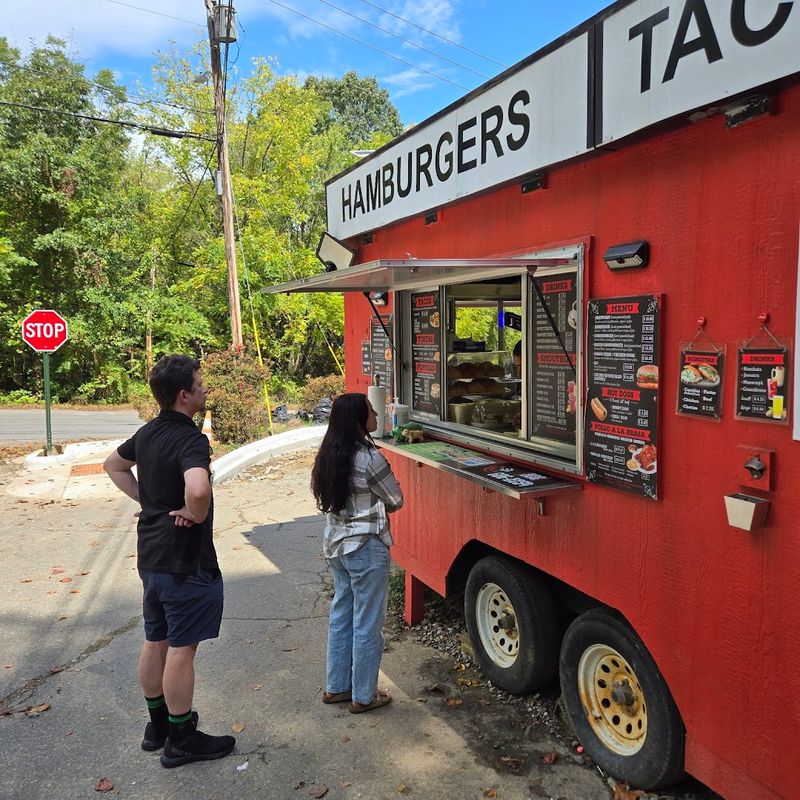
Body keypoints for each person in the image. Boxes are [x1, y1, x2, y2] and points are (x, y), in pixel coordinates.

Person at [103, 354, 235, 768]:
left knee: (155, 640)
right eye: (200, 383)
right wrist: (194, 513)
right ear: (184, 395)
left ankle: (157, 726)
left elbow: (113, 465)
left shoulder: (147, 433)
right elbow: (197, 487)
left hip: (152, 559)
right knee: (181, 649)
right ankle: (180, 738)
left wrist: (148, 501)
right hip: (184, 561)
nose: (205, 388)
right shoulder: (191, 439)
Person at [310, 393, 404, 714]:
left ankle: (336, 686)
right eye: (371, 411)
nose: (376, 414)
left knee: (341, 615)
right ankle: (364, 695)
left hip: (336, 546)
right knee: (367, 622)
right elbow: (396, 499)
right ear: (358, 420)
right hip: (366, 547)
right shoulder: (369, 458)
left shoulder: (327, 455)